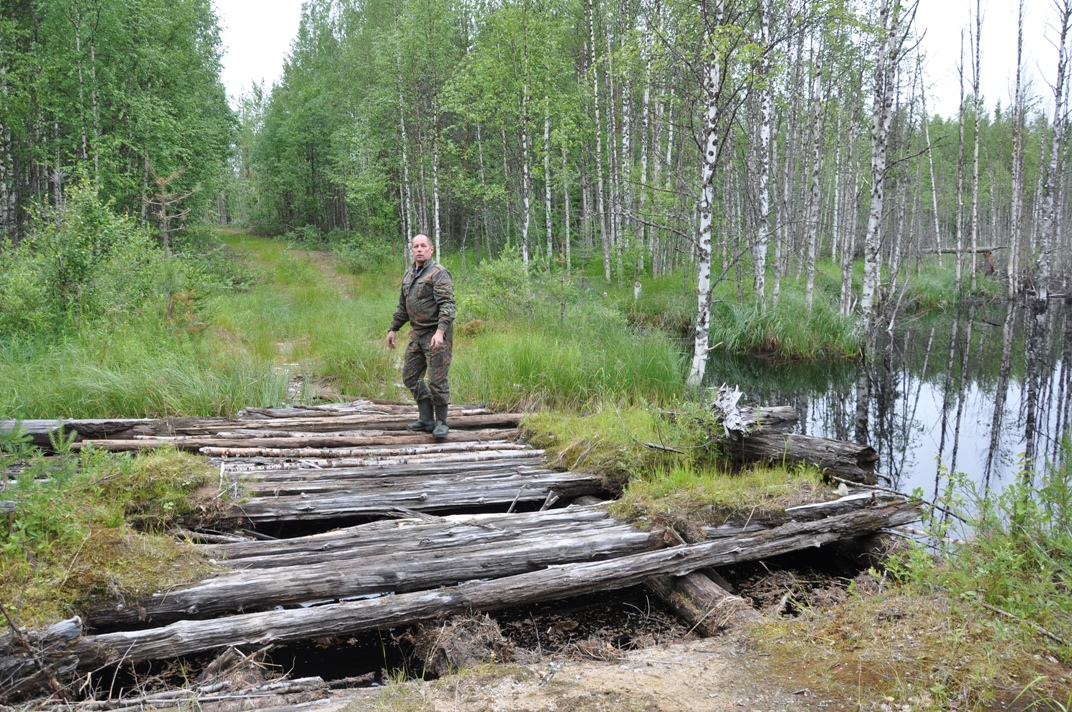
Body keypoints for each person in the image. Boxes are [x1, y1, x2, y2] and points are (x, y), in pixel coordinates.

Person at [386, 234, 455, 438]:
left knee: (437, 380)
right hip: (417, 334)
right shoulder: (408, 275)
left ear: (431, 249)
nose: (419, 249)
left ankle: (441, 422)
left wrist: (441, 332)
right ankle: (426, 419)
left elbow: (448, 306)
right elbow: (403, 307)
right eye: (415, 246)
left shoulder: (438, 274)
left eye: (423, 246)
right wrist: (393, 329)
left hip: (436, 334)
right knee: (410, 376)